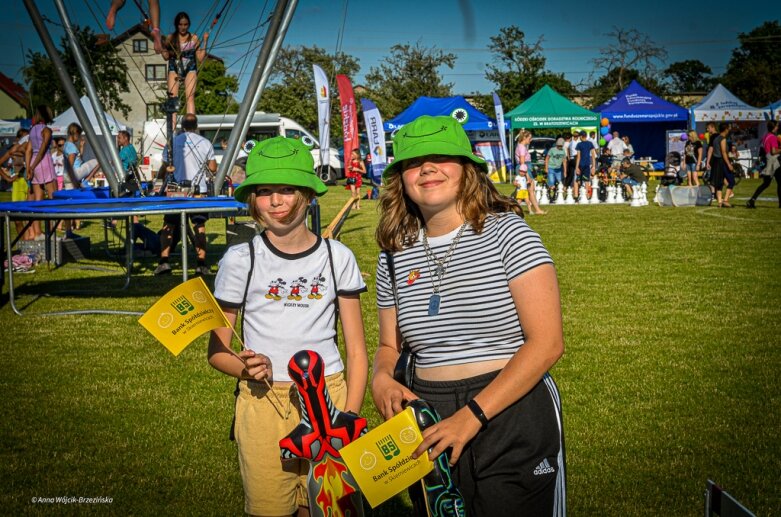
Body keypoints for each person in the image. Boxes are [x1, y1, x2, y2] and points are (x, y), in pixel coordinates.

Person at [371, 115, 566, 516]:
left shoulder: (509, 233)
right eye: (412, 162)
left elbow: (547, 344)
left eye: (442, 157)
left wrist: (472, 415)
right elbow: (390, 345)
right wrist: (380, 379)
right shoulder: (392, 254)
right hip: (428, 415)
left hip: (511, 410)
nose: (427, 168)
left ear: (468, 168)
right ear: (401, 179)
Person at [208, 135, 368, 517]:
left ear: (309, 195)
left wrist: (348, 416)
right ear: (251, 198)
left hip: (330, 399)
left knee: (327, 508)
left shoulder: (338, 257)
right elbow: (217, 352)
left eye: (287, 189)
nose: (276, 201)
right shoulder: (239, 258)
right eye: (265, 191)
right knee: (271, 509)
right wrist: (244, 366)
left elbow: (358, 350)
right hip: (265, 401)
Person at [155, 113, 217, 276]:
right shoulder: (205, 142)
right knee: (199, 226)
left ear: (182, 126)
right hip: (198, 191)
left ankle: (164, 262)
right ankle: (201, 263)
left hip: (177, 190)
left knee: (169, 226)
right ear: (196, 126)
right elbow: (212, 168)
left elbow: (166, 165)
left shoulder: (173, 142)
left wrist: (159, 178)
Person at [161, 12, 208, 120]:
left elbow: (200, 58)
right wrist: (162, 45)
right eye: (180, 24)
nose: (183, 27)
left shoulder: (194, 38)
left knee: (190, 98)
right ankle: (171, 130)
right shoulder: (170, 38)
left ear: (188, 24)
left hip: (190, 68)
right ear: (176, 25)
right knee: (173, 98)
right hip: (174, 68)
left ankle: (190, 126)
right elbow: (166, 57)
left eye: (185, 24)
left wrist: (205, 41)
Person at [25, 105, 58, 240]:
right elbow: (43, 150)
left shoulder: (32, 130)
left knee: (38, 198)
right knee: (52, 197)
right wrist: (32, 166)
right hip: (44, 162)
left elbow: (28, 150)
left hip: (34, 163)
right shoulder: (47, 130)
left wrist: (28, 167)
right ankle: (52, 232)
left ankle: (38, 233)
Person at [747, 121, 780, 208]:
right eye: (776, 126)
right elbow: (773, 151)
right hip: (774, 162)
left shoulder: (766, 136)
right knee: (773, 183)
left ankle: (752, 200)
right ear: (773, 127)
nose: (778, 127)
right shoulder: (773, 137)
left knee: (766, 183)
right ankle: (752, 201)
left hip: (768, 160)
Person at [514, 130, 546, 215]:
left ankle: (509, 207)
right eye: (529, 138)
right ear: (524, 138)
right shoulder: (522, 147)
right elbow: (522, 162)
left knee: (520, 190)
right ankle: (537, 210)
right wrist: (527, 175)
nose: (530, 140)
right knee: (531, 190)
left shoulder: (520, 146)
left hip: (524, 167)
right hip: (524, 168)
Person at [710, 123, 735, 208]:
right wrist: (729, 164)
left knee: (719, 183)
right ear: (726, 129)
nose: (730, 130)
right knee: (731, 181)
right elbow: (724, 152)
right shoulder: (723, 139)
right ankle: (725, 200)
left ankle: (720, 202)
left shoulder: (715, 139)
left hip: (716, 162)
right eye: (729, 128)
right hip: (722, 162)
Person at [574, 130, 596, 200]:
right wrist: (593, 166)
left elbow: (578, 157)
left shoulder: (579, 144)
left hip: (580, 164)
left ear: (580, 136)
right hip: (587, 164)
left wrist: (576, 167)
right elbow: (593, 155)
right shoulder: (590, 144)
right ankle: (587, 195)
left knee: (577, 180)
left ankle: (576, 195)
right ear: (586, 136)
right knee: (586, 180)